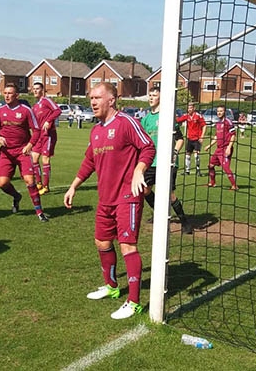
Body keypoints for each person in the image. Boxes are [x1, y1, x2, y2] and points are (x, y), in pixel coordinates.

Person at [63, 82, 155, 320]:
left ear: (111, 100)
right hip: (105, 199)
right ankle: (112, 287)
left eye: (97, 98)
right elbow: (89, 162)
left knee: (127, 246)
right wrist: (74, 186)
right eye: (91, 98)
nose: (92, 102)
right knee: (102, 242)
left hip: (127, 196)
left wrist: (139, 170)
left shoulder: (126, 122)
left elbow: (148, 147)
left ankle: (134, 302)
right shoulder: (96, 131)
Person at [0, 83, 49, 222]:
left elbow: (36, 130)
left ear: (17, 95)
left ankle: (39, 212)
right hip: (6, 153)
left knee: (30, 180)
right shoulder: (0, 111)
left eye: (10, 93)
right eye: (5, 93)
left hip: (22, 151)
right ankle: (16, 196)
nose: (7, 95)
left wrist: (30, 145)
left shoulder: (26, 110)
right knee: (2, 183)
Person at [140, 87, 193, 234]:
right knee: (144, 190)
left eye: (154, 95)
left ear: (161, 98)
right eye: (150, 95)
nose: (151, 98)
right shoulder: (145, 119)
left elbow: (180, 139)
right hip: (151, 162)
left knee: (169, 194)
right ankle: (159, 215)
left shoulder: (167, 117)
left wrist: (174, 152)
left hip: (166, 163)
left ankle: (185, 222)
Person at [30, 82, 61, 195]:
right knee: (34, 158)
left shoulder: (46, 101)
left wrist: (49, 121)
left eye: (38, 89)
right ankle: (38, 183)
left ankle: (46, 186)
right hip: (39, 136)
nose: (35, 91)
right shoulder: (34, 106)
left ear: (42, 90)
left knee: (45, 159)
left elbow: (57, 110)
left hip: (48, 135)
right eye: (34, 89)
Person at [203, 105, 238, 190]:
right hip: (218, 149)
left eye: (221, 111)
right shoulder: (218, 123)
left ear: (224, 112)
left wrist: (229, 147)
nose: (219, 113)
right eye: (218, 111)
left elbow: (233, 135)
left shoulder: (228, 122)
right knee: (210, 165)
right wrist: (209, 145)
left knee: (226, 167)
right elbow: (216, 136)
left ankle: (234, 185)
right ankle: (212, 182)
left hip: (225, 148)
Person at [175, 102, 206, 176]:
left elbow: (204, 126)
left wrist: (202, 136)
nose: (189, 109)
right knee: (187, 154)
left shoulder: (198, 116)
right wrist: (174, 116)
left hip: (197, 138)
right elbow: (178, 120)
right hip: (189, 138)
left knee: (196, 154)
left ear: (194, 108)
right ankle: (187, 170)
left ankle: (198, 170)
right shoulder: (187, 116)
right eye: (188, 108)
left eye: (191, 108)